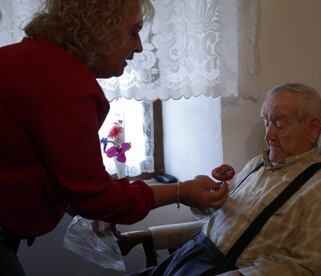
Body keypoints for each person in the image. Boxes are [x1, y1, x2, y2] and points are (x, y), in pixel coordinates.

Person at [0, 1, 228, 275]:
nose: (140, 47)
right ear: (100, 29)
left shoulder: (26, 59)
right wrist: (182, 191)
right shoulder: (65, 83)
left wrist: (84, 199)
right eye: (134, 32)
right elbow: (96, 198)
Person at [120, 83, 321, 276]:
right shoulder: (256, 165)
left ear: (313, 129)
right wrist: (204, 199)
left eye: (280, 125)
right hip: (187, 257)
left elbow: (316, 267)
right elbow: (216, 223)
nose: (268, 135)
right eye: (266, 122)